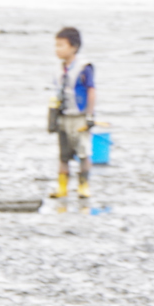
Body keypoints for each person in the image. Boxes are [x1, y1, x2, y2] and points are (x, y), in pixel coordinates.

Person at [49, 28, 96, 199]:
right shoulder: (58, 69)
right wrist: (52, 117)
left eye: (61, 45)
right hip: (63, 117)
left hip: (80, 117)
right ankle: (62, 187)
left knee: (83, 153)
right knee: (63, 155)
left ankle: (83, 186)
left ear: (73, 47)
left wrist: (90, 115)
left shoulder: (84, 67)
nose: (57, 49)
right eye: (56, 45)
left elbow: (91, 90)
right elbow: (55, 94)